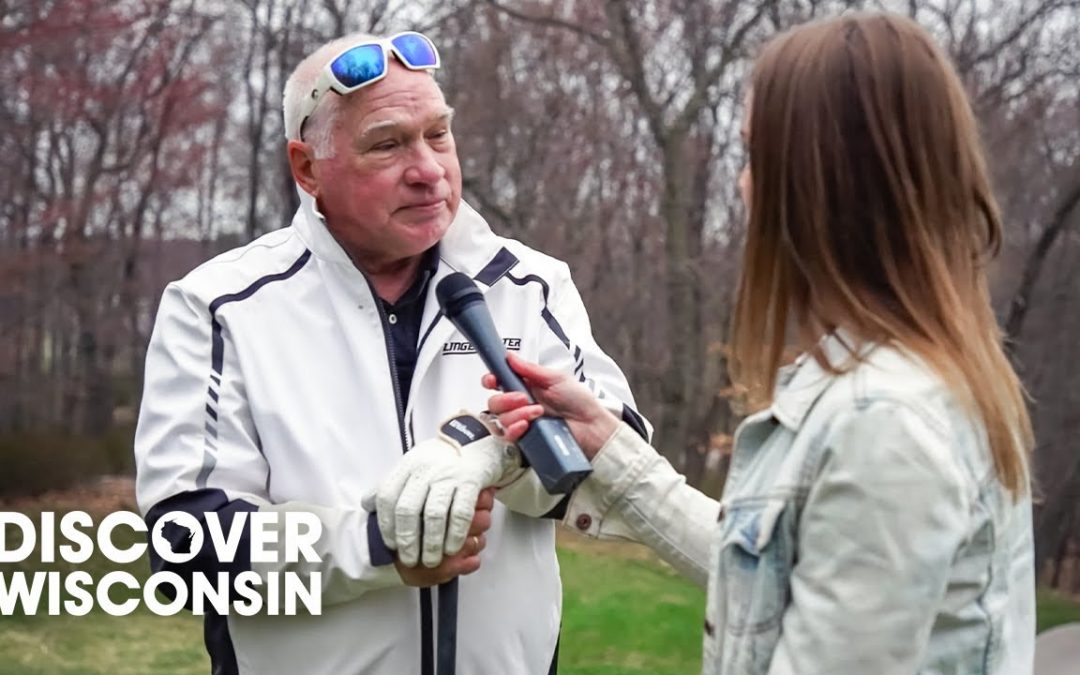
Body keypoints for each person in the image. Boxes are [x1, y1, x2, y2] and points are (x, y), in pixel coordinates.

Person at [372, 12, 1037, 674]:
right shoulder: (910, 378)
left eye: (754, 154)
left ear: (817, 178)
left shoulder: (881, 421)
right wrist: (613, 449)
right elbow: (773, 577)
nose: (743, 184)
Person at [133, 30, 648, 674]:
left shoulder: (530, 285)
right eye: (387, 144)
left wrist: (502, 460)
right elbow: (186, 549)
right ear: (307, 168)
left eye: (438, 134)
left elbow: (621, 469)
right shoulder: (219, 306)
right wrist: (378, 545)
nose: (428, 169)